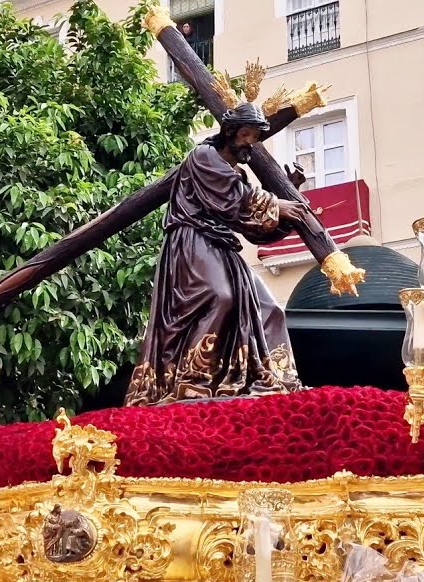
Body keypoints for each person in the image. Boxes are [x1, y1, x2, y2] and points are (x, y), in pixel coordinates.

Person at [124, 100, 306, 406]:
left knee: (269, 307)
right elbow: (234, 200)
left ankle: (273, 377)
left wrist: (288, 195)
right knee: (219, 297)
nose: (251, 143)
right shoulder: (203, 156)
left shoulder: (240, 177)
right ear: (230, 131)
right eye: (247, 134)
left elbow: (253, 229)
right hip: (192, 240)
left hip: (222, 247)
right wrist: (277, 204)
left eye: (255, 137)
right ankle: (193, 380)